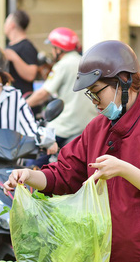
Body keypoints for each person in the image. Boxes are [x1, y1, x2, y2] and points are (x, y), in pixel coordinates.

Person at [4, 40, 140, 262]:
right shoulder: (97, 127)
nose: (94, 100)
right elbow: (65, 174)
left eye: (97, 91)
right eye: (90, 94)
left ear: (124, 81)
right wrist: (28, 176)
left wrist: (125, 170)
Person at [26, 27, 97, 162]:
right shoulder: (85, 62)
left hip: (66, 125)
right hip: (87, 123)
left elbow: (43, 93)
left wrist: (23, 106)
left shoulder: (63, 65)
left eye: (53, 48)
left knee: (33, 160)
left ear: (59, 49)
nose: (52, 52)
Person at [3, 10, 38, 96]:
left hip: (23, 98)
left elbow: (31, 75)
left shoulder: (26, 46)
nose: (4, 25)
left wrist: (14, 58)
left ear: (12, 25)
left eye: (6, 22)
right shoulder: (10, 45)